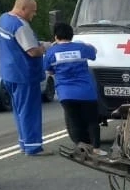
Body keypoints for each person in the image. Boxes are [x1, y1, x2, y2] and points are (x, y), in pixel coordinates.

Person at [0, 0, 50, 155]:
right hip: (24, 75)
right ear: (23, 9)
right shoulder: (20, 25)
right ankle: (33, 147)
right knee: (29, 111)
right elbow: (32, 51)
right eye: (32, 12)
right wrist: (45, 47)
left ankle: (24, 143)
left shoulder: (3, 19)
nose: (33, 15)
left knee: (19, 111)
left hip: (8, 73)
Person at [44, 23, 105, 156]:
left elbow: (49, 70)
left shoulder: (51, 52)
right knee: (92, 121)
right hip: (86, 92)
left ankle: (81, 147)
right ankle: (96, 148)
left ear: (55, 36)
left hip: (66, 94)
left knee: (74, 121)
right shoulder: (81, 48)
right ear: (71, 35)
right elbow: (94, 53)